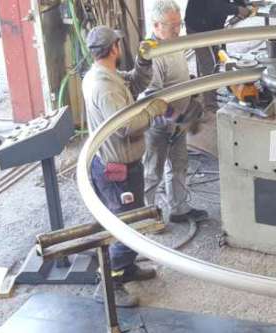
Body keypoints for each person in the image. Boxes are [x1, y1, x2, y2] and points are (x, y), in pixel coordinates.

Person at [82, 25, 171, 307]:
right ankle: (109, 283)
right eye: (118, 44)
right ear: (114, 49)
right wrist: (153, 110)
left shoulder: (104, 75)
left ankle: (127, 268)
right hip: (117, 172)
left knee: (132, 220)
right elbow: (126, 126)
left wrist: (144, 62)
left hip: (123, 166)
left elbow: (133, 83)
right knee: (127, 227)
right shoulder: (105, 87)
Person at [143, 0, 209, 224]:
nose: (177, 29)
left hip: (178, 123)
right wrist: (178, 118)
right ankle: (145, 216)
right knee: (152, 172)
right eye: (172, 25)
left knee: (179, 165)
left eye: (179, 24)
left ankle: (179, 209)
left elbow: (177, 77)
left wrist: (191, 95)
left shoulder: (174, 42)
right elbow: (153, 99)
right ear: (156, 25)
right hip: (160, 126)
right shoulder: (152, 54)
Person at [185, 0, 251, 111]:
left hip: (212, 25)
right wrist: (237, 9)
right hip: (198, 27)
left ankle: (207, 91)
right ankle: (210, 106)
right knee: (209, 66)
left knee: (214, 59)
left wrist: (242, 5)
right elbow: (214, 5)